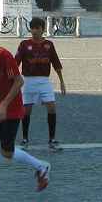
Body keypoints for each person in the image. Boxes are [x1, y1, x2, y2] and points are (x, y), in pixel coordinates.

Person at [0, 22, 50, 198]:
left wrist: (4, 105)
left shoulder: (3, 55)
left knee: (7, 152)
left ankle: (41, 166)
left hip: (12, 108)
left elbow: (19, 81)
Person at [14, 17, 66, 151]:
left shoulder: (49, 44)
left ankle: (52, 139)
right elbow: (16, 63)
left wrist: (62, 82)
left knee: (52, 107)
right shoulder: (24, 44)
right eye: (33, 28)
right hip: (29, 80)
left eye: (38, 28)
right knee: (26, 110)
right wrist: (13, 80)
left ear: (43, 29)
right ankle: (25, 139)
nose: (35, 31)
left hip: (44, 81)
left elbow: (56, 63)